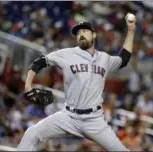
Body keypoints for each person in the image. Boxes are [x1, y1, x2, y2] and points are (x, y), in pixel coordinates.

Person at [17, 13, 136, 151]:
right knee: (31, 133)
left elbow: (124, 58)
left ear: (94, 35)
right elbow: (40, 62)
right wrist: (28, 84)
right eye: (78, 33)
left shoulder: (104, 58)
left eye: (85, 31)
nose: (81, 34)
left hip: (94, 120)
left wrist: (131, 30)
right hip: (69, 116)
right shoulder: (67, 54)